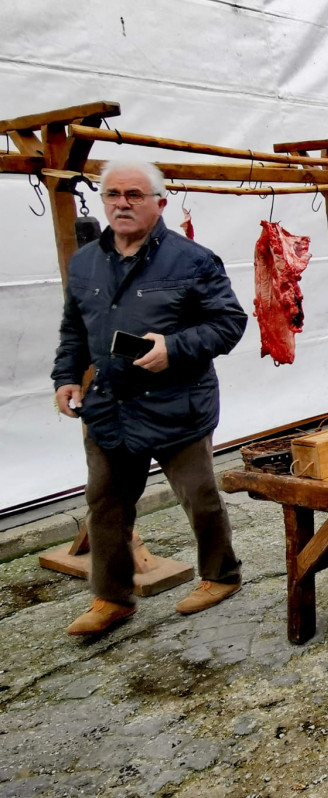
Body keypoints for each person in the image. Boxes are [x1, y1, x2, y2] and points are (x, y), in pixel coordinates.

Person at [52, 159, 247, 636]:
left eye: (135, 194)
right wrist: (66, 376)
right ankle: (112, 598)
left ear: (160, 202)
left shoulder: (193, 260)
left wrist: (174, 348)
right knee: (106, 506)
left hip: (177, 402)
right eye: (113, 194)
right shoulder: (85, 262)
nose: (122, 203)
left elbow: (229, 323)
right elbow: (75, 327)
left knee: (200, 498)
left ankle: (221, 576)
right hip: (111, 405)